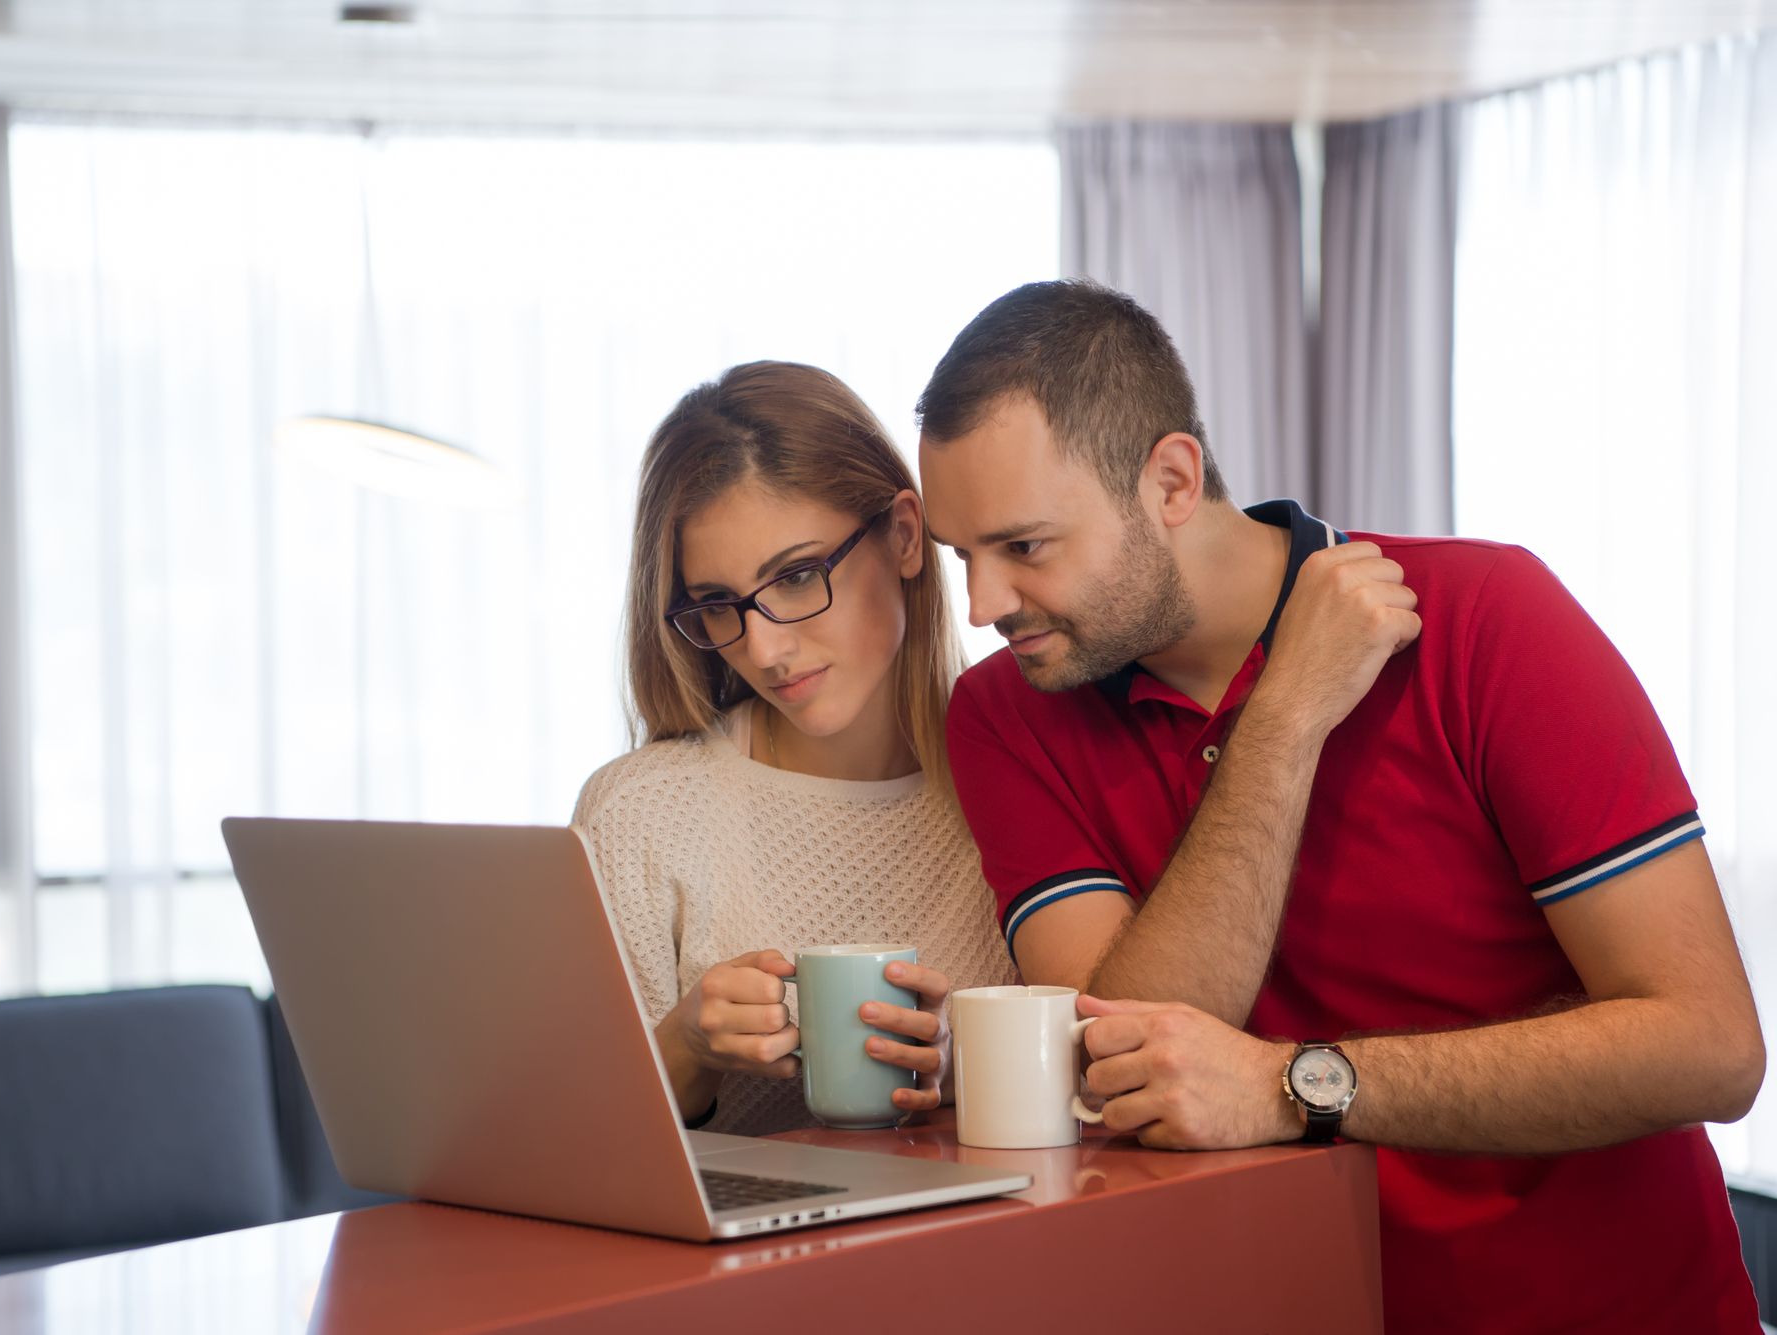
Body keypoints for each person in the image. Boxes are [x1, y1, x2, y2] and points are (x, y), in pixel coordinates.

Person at [915, 280, 1763, 1333]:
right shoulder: (1004, 713)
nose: (981, 606)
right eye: (961, 556)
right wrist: (1284, 718)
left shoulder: (1488, 618)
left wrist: (1291, 1085)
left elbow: (1710, 1048)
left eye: (1022, 548)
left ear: (1170, 481)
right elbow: (1118, 1046)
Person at [572, 360, 1016, 1137]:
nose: (767, 648)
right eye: (718, 604)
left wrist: (962, 1072)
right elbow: (585, 1143)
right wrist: (687, 1044)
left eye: (799, 574)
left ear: (905, 536)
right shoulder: (639, 815)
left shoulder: (1028, 777)